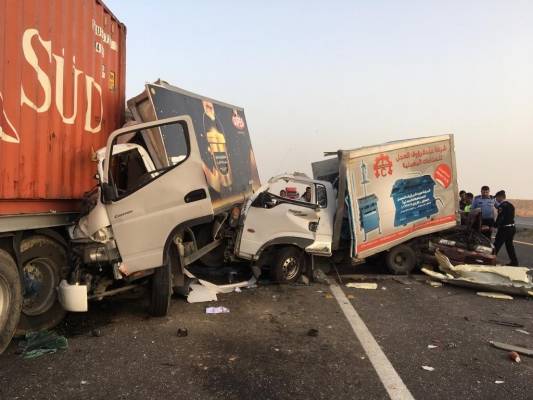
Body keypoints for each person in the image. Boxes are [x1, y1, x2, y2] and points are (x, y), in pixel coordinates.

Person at [493, 190, 519, 266]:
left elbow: (501, 218)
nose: (496, 199)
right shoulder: (511, 205)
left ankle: (490, 261)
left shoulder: (502, 206)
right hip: (512, 228)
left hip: (504, 229)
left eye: (497, 198)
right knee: (509, 246)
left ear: (500, 197)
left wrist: (494, 226)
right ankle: (514, 262)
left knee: (496, 245)